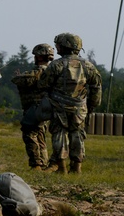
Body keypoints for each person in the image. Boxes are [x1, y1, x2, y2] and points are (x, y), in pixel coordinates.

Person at [37, 33, 102, 174]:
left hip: (58, 108)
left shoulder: (56, 65)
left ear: (65, 46)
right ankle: (77, 168)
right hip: (80, 109)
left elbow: (43, 85)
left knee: (59, 135)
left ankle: (62, 168)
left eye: (58, 45)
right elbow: (96, 86)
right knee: (78, 136)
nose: (56, 47)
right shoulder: (88, 66)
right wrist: (91, 105)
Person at [11, 43, 55, 170]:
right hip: (46, 109)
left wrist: (18, 76)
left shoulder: (39, 72)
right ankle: (44, 162)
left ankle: (36, 163)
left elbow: (19, 80)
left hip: (35, 108)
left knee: (29, 134)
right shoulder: (53, 72)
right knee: (40, 136)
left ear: (40, 57)